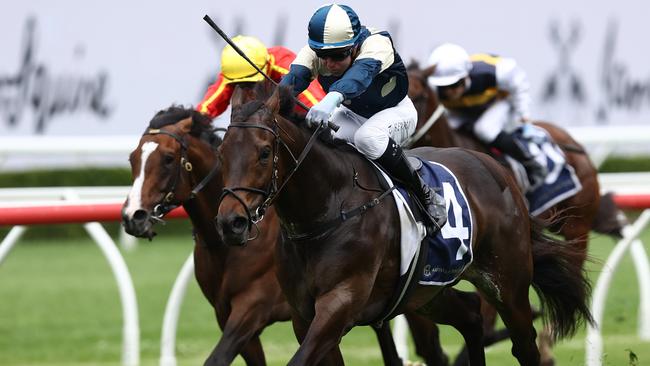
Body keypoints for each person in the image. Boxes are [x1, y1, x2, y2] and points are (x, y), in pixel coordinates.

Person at [280, 3, 446, 232]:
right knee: (317, 140)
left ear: (355, 46)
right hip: (352, 113)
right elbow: (292, 81)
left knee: (367, 138)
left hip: (395, 111)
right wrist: (266, 105)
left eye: (338, 56)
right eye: (322, 56)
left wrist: (330, 100)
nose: (329, 64)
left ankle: (425, 194)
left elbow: (358, 77)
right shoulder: (316, 50)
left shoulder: (378, 44)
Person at [426, 43, 547, 190]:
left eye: (455, 84)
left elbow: (519, 84)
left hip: (497, 102)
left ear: (466, 76)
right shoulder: (431, 87)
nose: (450, 92)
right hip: (461, 111)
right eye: (444, 87)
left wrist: (524, 116)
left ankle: (531, 162)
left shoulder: (494, 71)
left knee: (484, 129)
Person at [197, 35, 326, 118]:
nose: (247, 91)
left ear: (265, 67)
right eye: (241, 86)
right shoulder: (233, 72)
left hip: (300, 122)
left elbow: (316, 104)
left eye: (250, 84)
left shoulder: (284, 64)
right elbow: (207, 107)